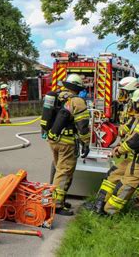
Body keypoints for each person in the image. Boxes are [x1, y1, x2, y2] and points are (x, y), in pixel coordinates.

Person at [84, 76, 139, 213]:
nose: (121, 94)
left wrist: (121, 142)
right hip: (130, 153)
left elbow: (134, 131)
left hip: (138, 155)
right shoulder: (131, 105)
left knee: (133, 184)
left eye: (124, 91)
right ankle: (99, 205)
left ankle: (113, 210)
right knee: (112, 175)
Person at [46, 74, 90, 215]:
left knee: (58, 168)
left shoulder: (57, 96)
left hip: (53, 139)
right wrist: (86, 143)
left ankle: (59, 199)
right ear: (77, 88)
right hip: (67, 142)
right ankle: (57, 205)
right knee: (64, 171)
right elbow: (83, 126)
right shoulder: (77, 101)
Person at [103, 89, 139, 215]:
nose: (133, 105)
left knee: (128, 185)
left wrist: (119, 150)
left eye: (135, 102)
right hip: (137, 157)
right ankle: (102, 205)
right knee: (119, 177)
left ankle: (110, 212)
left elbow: (134, 142)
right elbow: (130, 136)